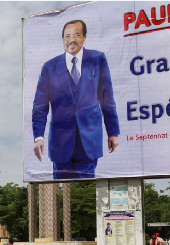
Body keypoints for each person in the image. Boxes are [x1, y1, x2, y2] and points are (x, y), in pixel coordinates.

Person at [32, 19, 120, 179]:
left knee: (85, 189)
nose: (71, 39)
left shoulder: (97, 59)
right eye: (67, 36)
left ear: (84, 37)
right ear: (62, 40)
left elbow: (107, 98)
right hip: (60, 142)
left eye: (76, 34)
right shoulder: (49, 67)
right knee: (62, 189)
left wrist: (113, 132)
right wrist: (38, 137)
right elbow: (40, 106)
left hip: (89, 139)